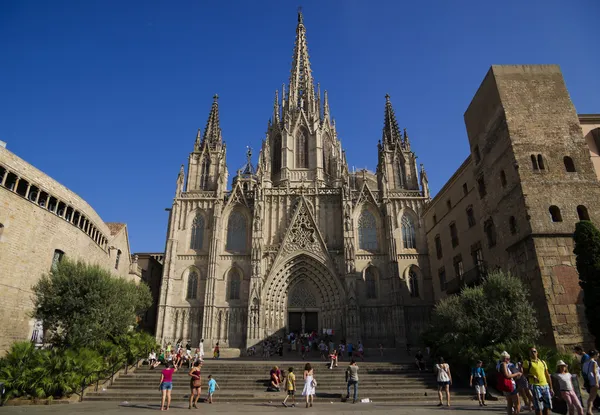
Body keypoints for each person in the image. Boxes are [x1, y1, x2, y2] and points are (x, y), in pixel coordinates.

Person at [523, 347, 553, 415]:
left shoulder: (542, 362)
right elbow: (524, 374)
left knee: (547, 406)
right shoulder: (527, 362)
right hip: (536, 386)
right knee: (539, 407)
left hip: (545, 385)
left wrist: (551, 387)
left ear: (537, 352)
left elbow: (547, 375)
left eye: (534, 351)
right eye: (531, 352)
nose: (533, 353)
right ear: (529, 354)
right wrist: (531, 376)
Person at [583, 350, 600, 415]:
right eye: (597, 355)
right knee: (592, 397)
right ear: (595, 355)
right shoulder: (593, 362)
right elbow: (594, 372)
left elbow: (584, 373)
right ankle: (589, 411)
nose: (598, 357)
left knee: (592, 396)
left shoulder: (585, 363)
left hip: (590, 380)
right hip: (596, 380)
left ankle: (589, 410)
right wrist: (596, 382)